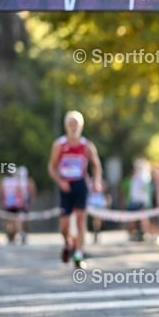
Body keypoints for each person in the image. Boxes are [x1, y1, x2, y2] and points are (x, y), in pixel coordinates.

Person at [48, 110, 103, 269]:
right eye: (70, 123)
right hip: (65, 186)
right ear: (66, 126)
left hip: (80, 184)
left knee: (80, 220)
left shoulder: (87, 145)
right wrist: (60, 182)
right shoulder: (59, 145)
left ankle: (78, 255)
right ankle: (68, 243)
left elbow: (96, 165)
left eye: (76, 124)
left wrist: (96, 181)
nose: (73, 127)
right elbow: (51, 167)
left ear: (81, 126)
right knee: (64, 226)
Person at [0, 170, 23, 243]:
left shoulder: (5, 181)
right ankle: (13, 234)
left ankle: (11, 233)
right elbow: (20, 191)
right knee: (14, 220)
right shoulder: (16, 180)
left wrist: (2, 201)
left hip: (8, 203)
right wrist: (21, 201)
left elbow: (1, 191)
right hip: (15, 203)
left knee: (9, 220)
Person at [16, 166, 36, 244]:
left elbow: (32, 191)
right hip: (20, 203)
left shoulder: (28, 182)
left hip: (25, 203)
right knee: (20, 219)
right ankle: (21, 233)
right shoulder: (18, 182)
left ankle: (23, 233)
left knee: (24, 219)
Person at [86, 179, 108, 244]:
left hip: (100, 203)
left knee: (98, 219)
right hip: (92, 203)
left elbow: (105, 190)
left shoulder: (102, 182)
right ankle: (96, 230)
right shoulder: (90, 182)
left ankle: (96, 230)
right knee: (95, 219)